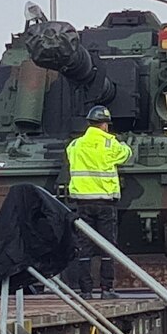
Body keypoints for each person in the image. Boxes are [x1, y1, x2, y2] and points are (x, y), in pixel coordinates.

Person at [66, 105, 132, 300]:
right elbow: (126, 155)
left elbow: (70, 157)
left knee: (84, 247)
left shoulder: (75, 145)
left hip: (83, 203)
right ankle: (106, 289)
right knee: (107, 246)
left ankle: (85, 291)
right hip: (105, 203)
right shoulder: (110, 144)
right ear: (104, 125)